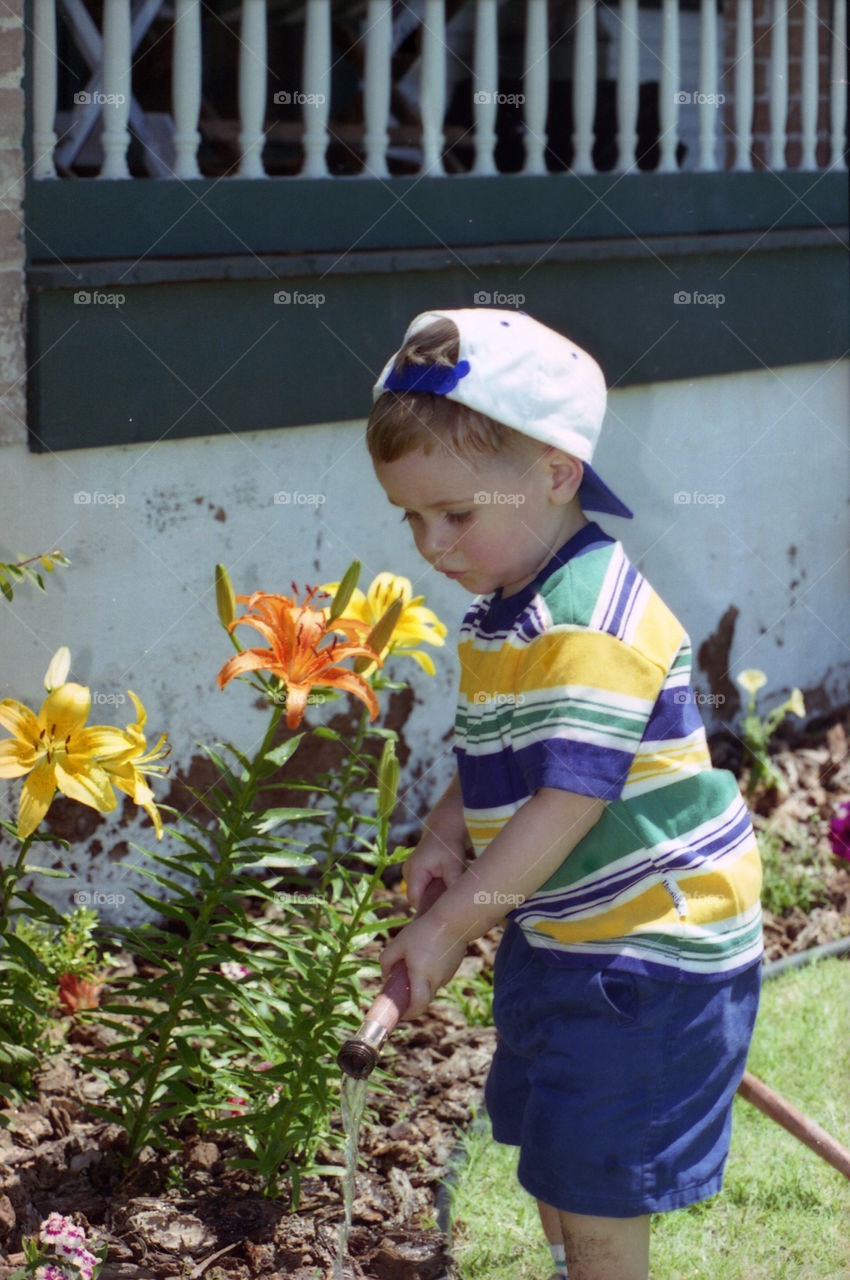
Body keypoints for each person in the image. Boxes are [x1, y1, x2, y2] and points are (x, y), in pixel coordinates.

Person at [368, 308, 763, 1280]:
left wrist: (452, 923)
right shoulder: (505, 610)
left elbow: (567, 802)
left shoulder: (587, 620)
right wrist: (445, 829)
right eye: (411, 517)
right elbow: (501, 745)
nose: (430, 542)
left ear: (554, 472)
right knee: (549, 1128)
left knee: (596, 1171)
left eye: (454, 513)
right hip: (567, 928)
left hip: (651, 950)